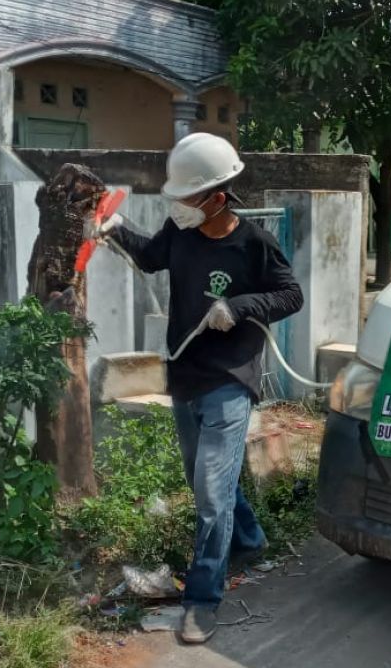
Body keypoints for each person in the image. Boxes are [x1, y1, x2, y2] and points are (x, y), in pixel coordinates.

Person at [89, 132, 304, 643]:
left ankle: (203, 599)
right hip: (184, 376)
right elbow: (149, 257)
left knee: (210, 490)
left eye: (188, 198)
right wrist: (117, 228)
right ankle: (249, 539)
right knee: (205, 479)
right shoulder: (180, 232)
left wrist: (243, 307)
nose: (180, 207)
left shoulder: (254, 245)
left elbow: (290, 294)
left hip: (230, 379)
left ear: (218, 197)